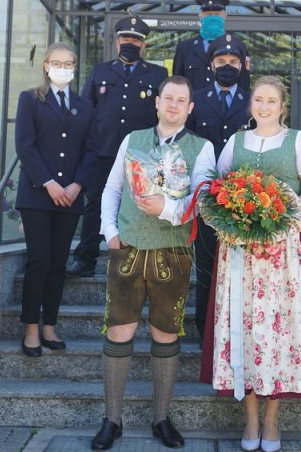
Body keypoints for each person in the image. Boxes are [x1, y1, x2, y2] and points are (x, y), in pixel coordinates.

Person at [201, 76, 301, 452]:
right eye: (259, 100)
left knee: (279, 333)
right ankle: (250, 418)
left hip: (285, 253)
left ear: (283, 107)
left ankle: (273, 419)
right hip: (239, 253)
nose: (264, 106)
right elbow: (216, 191)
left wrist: (277, 216)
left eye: (271, 101)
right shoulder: (235, 142)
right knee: (243, 327)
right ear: (251, 105)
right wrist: (232, 218)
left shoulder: (299, 140)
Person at [90, 75, 216, 451]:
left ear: (190, 108)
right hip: (128, 248)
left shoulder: (202, 148)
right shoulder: (133, 139)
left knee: (166, 333)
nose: (173, 105)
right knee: (119, 331)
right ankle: (112, 420)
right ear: (157, 102)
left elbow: (201, 200)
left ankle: (161, 418)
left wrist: (167, 209)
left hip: (172, 252)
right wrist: (109, 231)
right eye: (168, 98)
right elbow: (112, 187)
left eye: (181, 100)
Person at [67, 17, 168, 278]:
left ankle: (137, 259)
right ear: (116, 42)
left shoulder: (158, 74)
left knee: (140, 205)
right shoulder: (100, 71)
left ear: (144, 45)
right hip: (103, 150)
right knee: (95, 203)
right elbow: (85, 110)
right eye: (125, 39)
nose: (130, 43)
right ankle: (86, 257)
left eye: (135, 40)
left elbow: (163, 114)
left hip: (141, 154)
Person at [14, 42, 97, 357]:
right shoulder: (30, 99)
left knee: (58, 263)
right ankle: (31, 328)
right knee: (39, 261)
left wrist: (78, 185)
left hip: (70, 197)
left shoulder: (84, 105)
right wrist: (49, 183)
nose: (63, 68)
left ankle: (49, 324)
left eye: (69, 63)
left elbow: (91, 149)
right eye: (57, 63)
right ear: (46, 66)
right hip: (37, 195)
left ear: (75, 68)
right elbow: (25, 145)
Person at [185, 34, 254, 341]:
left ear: (242, 65)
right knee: (207, 266)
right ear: (211, 65)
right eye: (221, 61)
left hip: (244, 198)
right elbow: (188, 144)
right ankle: (206, 332)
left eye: (234, 61)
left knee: (242, 267)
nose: (227, 66)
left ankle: (238, 330)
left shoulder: (252, 101)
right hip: (206, 196)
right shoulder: (196, 99)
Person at [172, 0, 251, 91]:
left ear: (225, 16)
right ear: (200, 16)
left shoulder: (239, 47)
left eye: (217, 14)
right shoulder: (185, 49)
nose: (213, 18)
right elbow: (177, 85)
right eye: (208, 14)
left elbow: (244, 85)